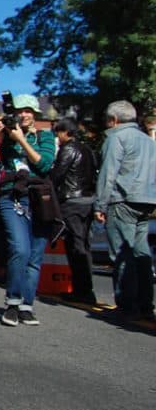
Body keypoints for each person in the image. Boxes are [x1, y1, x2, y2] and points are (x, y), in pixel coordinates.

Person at [0, 93, 55, 327]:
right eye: (20, 111)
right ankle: (12, 301)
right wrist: (4, 133)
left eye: (29, 111)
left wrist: (22, 140)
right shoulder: (7, 136)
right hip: (12, 197)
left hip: (40, 199)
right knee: (20, 249)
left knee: (34, 255)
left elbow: (44, 164)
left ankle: (26, 306)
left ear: (35, 113)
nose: (24, 115)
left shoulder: (46, 136)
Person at [94, 100, 156, 321]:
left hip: (122, 199)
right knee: (141, 253)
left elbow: (108, 173)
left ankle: (127, 305)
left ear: (114, 120)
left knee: (121, 253)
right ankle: (146, 304)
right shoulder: (148, 141)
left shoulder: (115, 137)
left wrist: (100, 204)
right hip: (147, 200)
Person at [51, 118, 98, 304]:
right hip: (88, 199)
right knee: (84, 243)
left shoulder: (68, 149)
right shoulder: (88, 149)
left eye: (58, 133)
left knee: (75, 245)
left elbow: (58, 174)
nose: (57, 137)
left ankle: (83, 290)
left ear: (65, 132)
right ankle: (85, 288)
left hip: (72, 199)